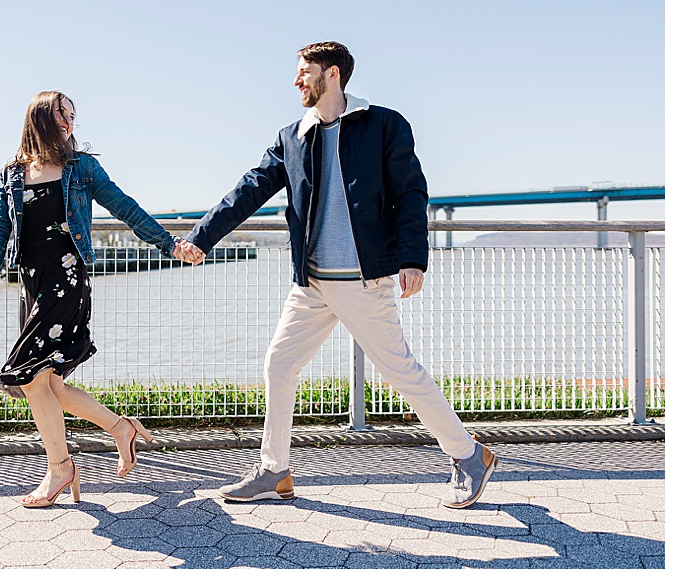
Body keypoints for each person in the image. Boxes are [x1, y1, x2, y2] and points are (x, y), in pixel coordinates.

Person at [178, 41, 496, 508]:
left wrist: (412, 258)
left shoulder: (384, 124)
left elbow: (410, 192)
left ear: (332, 74)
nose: (296, 80)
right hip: (312, 284)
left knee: (402, 373)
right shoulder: (293, 135)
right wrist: (202, 238)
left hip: (364, 281)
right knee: (279, 365)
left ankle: (470, 456)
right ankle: (275, 471)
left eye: (304, 71)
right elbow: (249, 189)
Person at [0, 91, 201, 508]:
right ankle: (119, 429)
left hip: (67, 276)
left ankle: (61, 468)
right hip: (31, 282)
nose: (69, 123)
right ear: (40, 117)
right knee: (48, 383)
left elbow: (125, 208)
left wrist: (169, 244)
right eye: (63, 115)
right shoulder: (11, 173)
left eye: (73, 117)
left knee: (27, 376)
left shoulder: (82, 168)